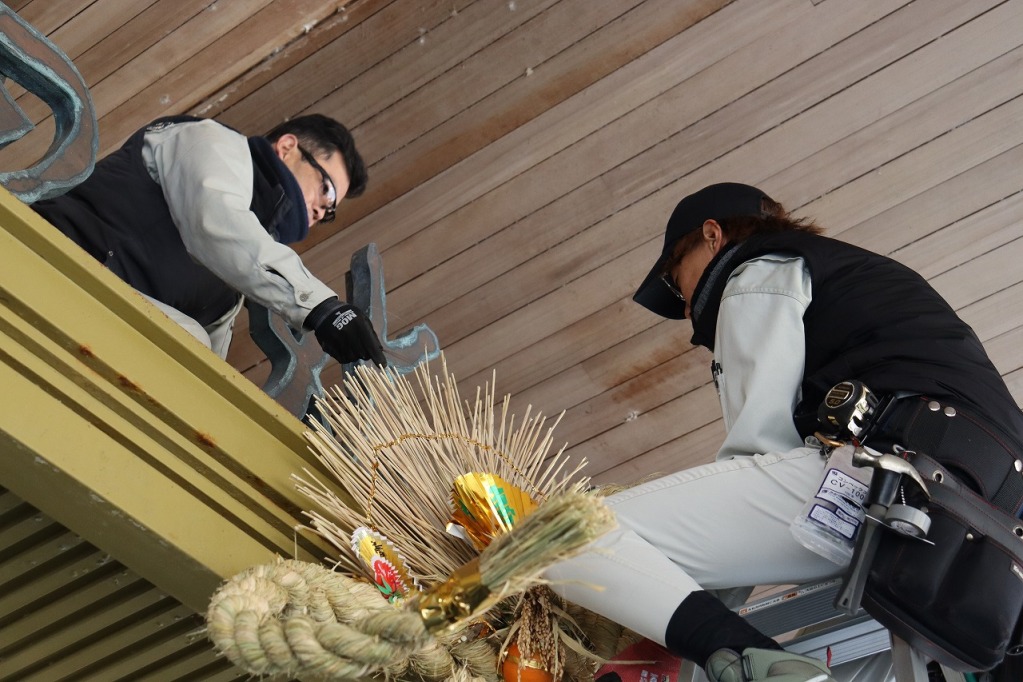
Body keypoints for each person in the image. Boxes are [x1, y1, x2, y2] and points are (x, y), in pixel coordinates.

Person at [545, 182, 1023, 682]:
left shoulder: (757, 271)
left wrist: (696, 634)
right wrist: (679, 618)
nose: (684, 307)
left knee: (566, 535)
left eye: (674, 278)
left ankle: (757, 663)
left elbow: (758, 453)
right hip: (976, 519)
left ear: (712, 236)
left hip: (889, 478)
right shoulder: (858, 279)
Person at [31, 114, 386, 366]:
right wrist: (321, 308)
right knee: (187, 340)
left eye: (330, 211)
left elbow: (206, 368)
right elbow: (216, 221)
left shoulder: (236, 280)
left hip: (92, 327)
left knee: (192, 358)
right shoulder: (210, 140)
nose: (322, 210)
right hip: (48, 258)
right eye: (326, 190)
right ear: (287, 147)